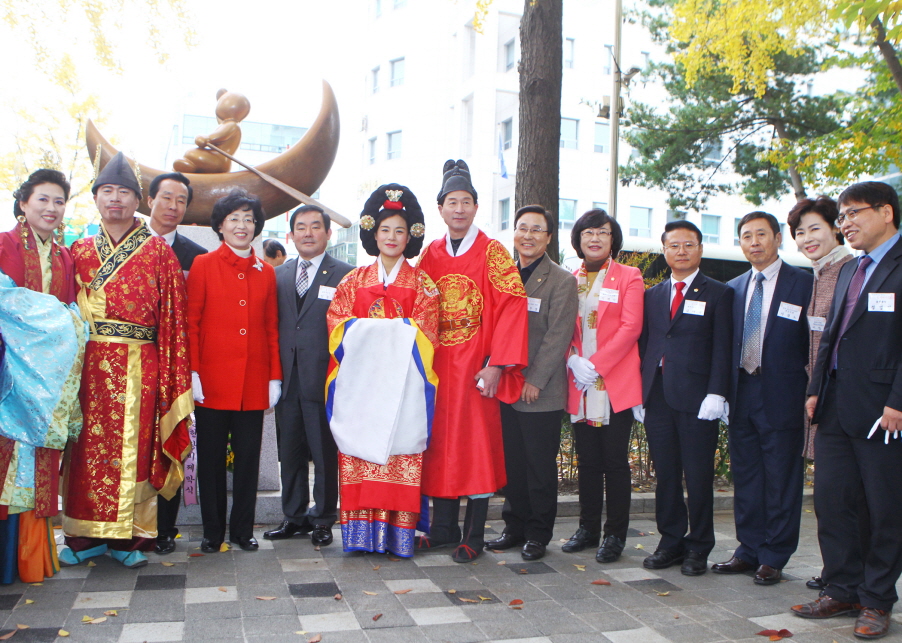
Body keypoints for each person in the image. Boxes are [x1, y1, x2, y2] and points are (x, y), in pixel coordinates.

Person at [60, 152, 193, 569]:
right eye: (106, 191)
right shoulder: (76, 250)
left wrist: (176, 377)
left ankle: (131, 539)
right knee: (84, 450)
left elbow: (174, 321)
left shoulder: (158, 252)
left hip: (141, 366)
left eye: (123, 192)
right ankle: (83, 537)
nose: (115, 199)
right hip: (88, 368)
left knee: (137, 449)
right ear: (96, 198)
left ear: (139, 200)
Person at [791, 182, 902, 640]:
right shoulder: (854, 269)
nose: (846, 223)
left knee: (883, 508)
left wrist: (898, 401)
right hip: (835, 406)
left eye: (854, 213)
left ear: (887, 213)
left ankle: (876, 600)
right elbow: (832, 337)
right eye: (843, 216)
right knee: (833, 503)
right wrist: (816, 389)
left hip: (883, 411)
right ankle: (841, 587)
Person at [416, 159, 528, 563]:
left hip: (477, 370)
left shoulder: (493, 252)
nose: (459, 209)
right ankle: (443, 528)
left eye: (466, 202)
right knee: (439, 446)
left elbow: (513, 306)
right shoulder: (430, 255)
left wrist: (498, 364)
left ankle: (474, 534)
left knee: (475, 448)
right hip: (438, 370)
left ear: (476, 207)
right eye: (451, 202)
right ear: (441, 209)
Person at [325, 183, 439, 557]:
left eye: (400, 230)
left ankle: (398, 537)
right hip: (362, 392)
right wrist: (395, 331)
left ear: (411, 237)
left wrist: (372, 331)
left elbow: (428, 335)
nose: (392, 237)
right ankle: (360, 537)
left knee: (400, 457)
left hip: (404, 391)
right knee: (360, 457)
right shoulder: (352, 282)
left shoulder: (423, 285)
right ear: (374, 234)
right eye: (385, 230)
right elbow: (336, 327)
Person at [711, 211, 812, 585]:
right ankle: (748, 549)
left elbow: (813, 344)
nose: (754, 242)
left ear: (777, 238)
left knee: (782, 478)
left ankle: (774, 555)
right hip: (741, 393)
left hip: (784, 396)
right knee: (747, 475)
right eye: (746, 236)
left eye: (761, 235)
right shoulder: (733, 288)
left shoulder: (803, 284)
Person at [0, 169, 84, 583]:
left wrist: (63, 322)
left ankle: (29, 559)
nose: (51, 209)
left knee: (37, 464)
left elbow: (71, 314)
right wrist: (56, 319)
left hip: (47, 385)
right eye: (43, 200)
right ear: (23, 203)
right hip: (9, 378)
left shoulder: (64, 256)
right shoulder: (3, 245)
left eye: (58, 201)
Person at [635, 220, 733, 576]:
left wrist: (717, 392)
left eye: (688, 244)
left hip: (698, 400)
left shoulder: (719, 293)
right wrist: (639, 393)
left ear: (700, 249)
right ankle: (670, 541)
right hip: (658, 396)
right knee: (666, 475)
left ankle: (699, 546)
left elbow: (723, 347)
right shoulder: (653, 295)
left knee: (698, 475)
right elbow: (646, 345)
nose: (681, 251)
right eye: (674, 245)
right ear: (664, 250)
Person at [187, 189, 280, 553]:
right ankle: (213, 532)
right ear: (220, 226)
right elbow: (191, 324)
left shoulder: (266, 273)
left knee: (247, 462)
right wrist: (193, 372)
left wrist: (275, 376)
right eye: (234, 219)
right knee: (210, 462)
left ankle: (242, 530)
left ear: (256, 227)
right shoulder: (203, 265)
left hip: (253, 382)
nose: (242, 226)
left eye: (249, 219)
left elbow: (271, 327)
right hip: (210, 381)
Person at [484, 205, 577, 561]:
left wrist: (536, 379)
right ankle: (514, 526)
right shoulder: (503, 276)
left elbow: (558, 336)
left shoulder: (561, 280)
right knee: (514, 464)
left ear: (549, 237)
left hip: (540, 390)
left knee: (539, 465)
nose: (528, 235)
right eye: (523, 228)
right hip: (505, 386)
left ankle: (538, 533)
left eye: (537, 229)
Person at [264, 205, 352, 546]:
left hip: (325, 377)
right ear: (291, 234)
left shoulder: (345, 275)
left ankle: (324, 518)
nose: (308, 233)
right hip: (286, 379)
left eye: (316, 227)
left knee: (324, 452)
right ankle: (294, 517)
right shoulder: (279, 275)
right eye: (301, 227)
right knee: (291, 450)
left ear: (328, 233)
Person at [560, 209, 643, 564]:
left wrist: (595, 365)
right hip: (578, 384)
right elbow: (558, 328)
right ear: (578, 239)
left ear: (613, 240)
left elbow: (631, 327)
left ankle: (615, 535)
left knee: (615, 463)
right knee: (588, 462)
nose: (595, 239)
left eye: (603, 233)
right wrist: (572, 359)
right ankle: (588, 528)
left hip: (613, 384)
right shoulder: (569, 280)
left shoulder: (629, 276)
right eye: (588, 233)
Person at [786, 196, 855, 591]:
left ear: (835, 228)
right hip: (820, 401)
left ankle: (850, 579)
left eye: (815, 228)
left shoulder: (850, 271)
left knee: (844, 499)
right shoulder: (815, 275)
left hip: (844, 403)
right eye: (800, 232)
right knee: (831, 499)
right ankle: (838, 573)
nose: (807, 238)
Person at [145, 171, 208, 556]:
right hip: (131, 361)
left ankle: (165, 528)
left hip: (175, 366)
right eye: (166, 197)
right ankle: (130, 527)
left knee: (171, 440)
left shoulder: (194, 257)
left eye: (181, 200)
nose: (173, 206)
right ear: (149, 199)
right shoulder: (131, 246)